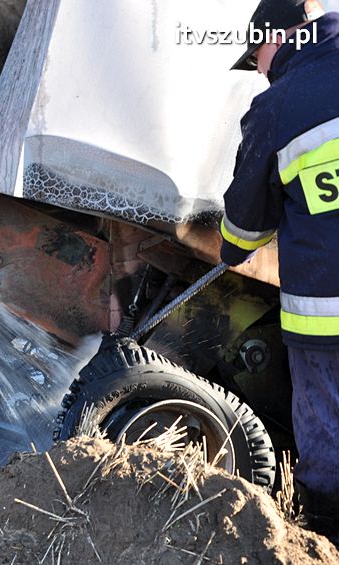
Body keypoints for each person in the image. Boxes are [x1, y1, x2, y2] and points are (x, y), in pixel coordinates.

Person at [221, 0, 339, 540]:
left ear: (278, 37)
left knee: (327, 435)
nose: (259, 69)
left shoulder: (278, 105)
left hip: (326, 319)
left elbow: (244, 228)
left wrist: (230, 251)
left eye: (257, 56)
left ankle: (325, 541)